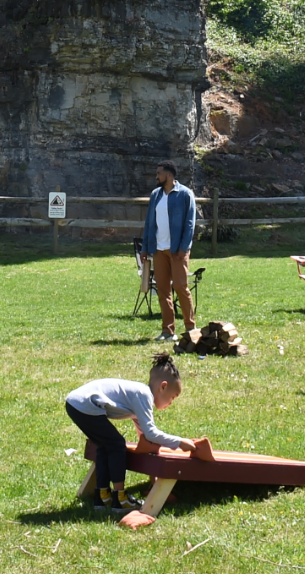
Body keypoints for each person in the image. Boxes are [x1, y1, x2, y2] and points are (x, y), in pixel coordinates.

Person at [65, 353, 197, 513]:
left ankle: (102, 495)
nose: (171, 403)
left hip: (76, 404)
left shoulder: (139, 396)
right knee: (116, 445)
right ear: (163, 387)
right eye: (173, 397)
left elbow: (146, 439)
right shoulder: (144, 395)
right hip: (84, 405)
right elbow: (151, 434)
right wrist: (179, 442)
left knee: (105, 445)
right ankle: (120, 498)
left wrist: (154, 478)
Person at [141, 160, 197, 342]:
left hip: (177, 251)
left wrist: (183, 248)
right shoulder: (155, 195)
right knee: (163, 290)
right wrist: (145, 248)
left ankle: (190, 329)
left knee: (181, 287)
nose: (156, 177)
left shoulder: (185, 194)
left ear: (169, 175)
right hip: (158, 250)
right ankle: (168, 331)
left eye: (159, 174)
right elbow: (149, 223)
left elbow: (190, 224)